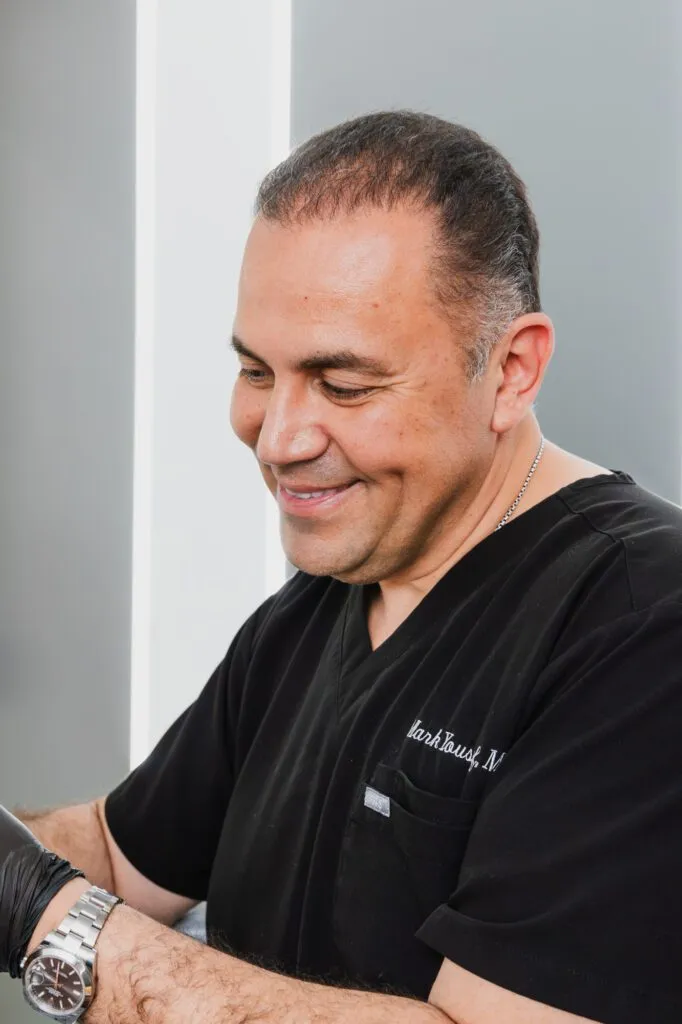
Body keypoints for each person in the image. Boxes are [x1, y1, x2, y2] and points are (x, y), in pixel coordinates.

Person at [2, 110, 682, 1024]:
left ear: (513, 370)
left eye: (344, 385)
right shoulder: (320, 604)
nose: (278, 438)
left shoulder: (641, 624)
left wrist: (39, 915)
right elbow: (124, 859)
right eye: (255, 373)